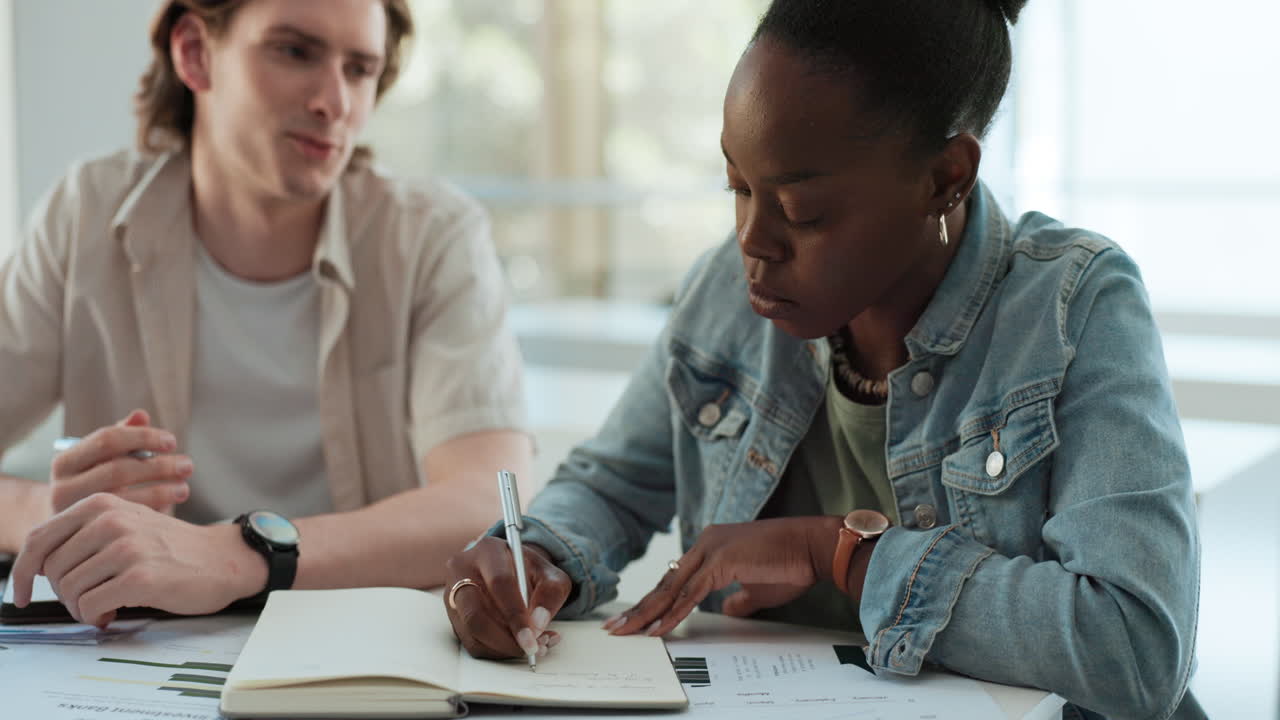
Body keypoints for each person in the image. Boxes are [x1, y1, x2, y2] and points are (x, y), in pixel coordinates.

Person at [442, 1, 1205, 718]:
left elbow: (1136, 646)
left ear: (945, 178)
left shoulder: (1073, 306)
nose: (753, 240)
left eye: (802, 211)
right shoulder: (726, 292)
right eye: (738, 186)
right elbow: (612, 485)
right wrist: (536, 556)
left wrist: (838, 552)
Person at [4, 0, 532, 627]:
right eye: (295, 51)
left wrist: (232, 556)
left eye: (361, 69)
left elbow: (484, 503)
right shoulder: (85, 214)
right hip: (133, 650)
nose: (334, 101)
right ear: (195, 53)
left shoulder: (432, 235)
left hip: (356, 645)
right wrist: (42, 511)